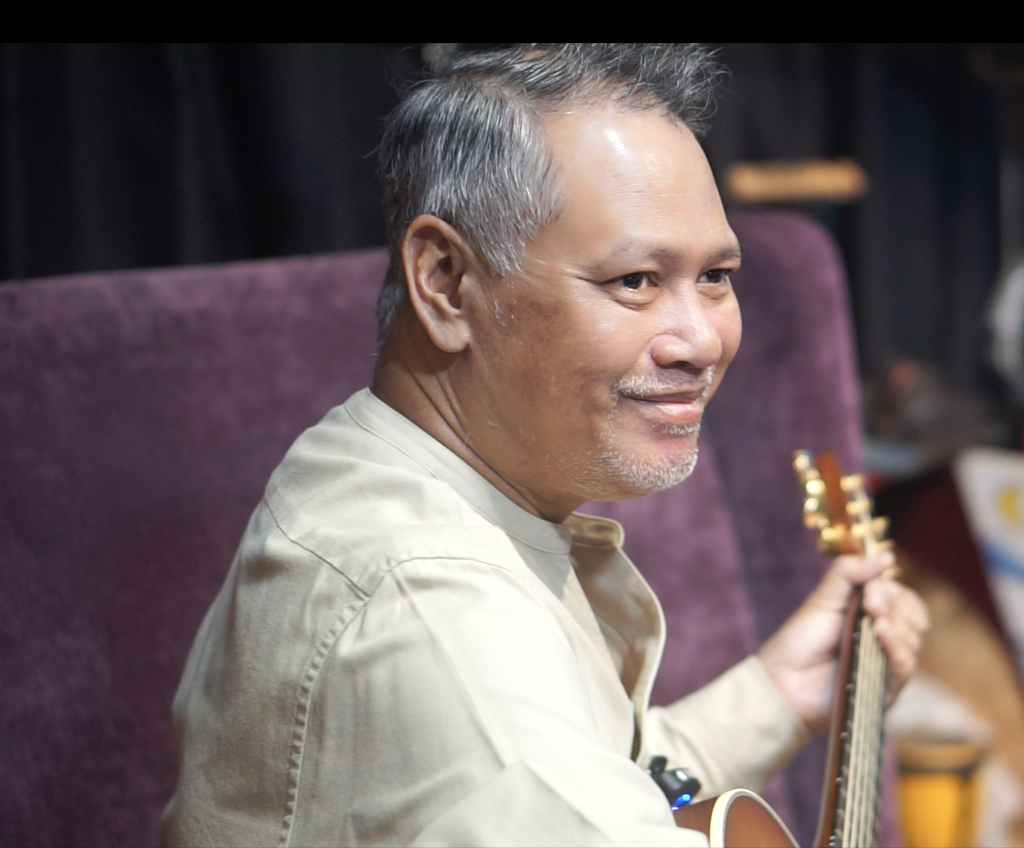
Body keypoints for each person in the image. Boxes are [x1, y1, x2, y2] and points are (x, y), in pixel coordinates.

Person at [161, 44, 927, 847]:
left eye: (714, 276)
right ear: (445, 281)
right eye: (635, 280)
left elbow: (584, 784)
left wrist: (778, 695)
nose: (701, 340)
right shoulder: (430, 608)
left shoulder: (392, 474)